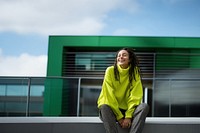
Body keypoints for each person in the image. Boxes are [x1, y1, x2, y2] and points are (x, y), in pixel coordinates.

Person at [97, 47, 149, 133]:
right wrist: (120, 117)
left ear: (130, 59)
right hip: (112, 110)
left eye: (124, 55)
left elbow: (135, 95)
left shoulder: (135, 72)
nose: (120, 57)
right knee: (104, 106)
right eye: (119, 55)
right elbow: (109, 95)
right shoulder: (110, 71)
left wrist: (128, 116)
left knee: (144, 106)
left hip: (128, 110)